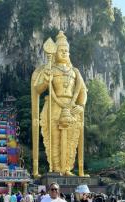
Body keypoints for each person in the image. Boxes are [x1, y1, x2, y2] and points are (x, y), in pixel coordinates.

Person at [31, 31, 88, 177]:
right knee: (54, 138)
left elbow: (83, 92)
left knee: (71, 139)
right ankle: (56, 168)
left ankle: (68, 168)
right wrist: (46, 79)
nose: (64, 53)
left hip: (71, 106)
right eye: (61, 50)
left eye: (66, 51)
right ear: (55, 52)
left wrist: (80, 106)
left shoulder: (75, 72)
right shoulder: (49, 69)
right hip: (54, 106)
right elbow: (37, 89)